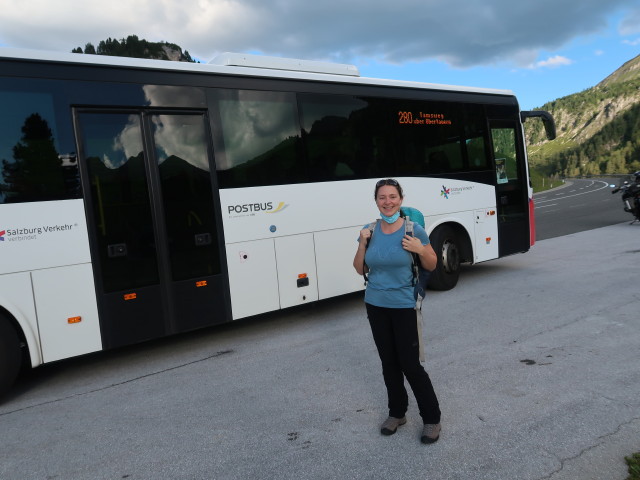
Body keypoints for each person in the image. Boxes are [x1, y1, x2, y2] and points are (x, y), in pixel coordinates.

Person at [353, 178, 442, 444]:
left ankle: (432, 419)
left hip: (404, 305)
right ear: (376, 201)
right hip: (375, 304)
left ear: (400, 200)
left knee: (410, 364)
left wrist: (419, 249)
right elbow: (360, 269)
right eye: (382, 197)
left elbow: (432, 263)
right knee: (388, 362)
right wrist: (361, 244)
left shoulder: (414, 230)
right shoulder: (369, 230)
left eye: (392, 196)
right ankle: (397, 413)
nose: (387, 202)